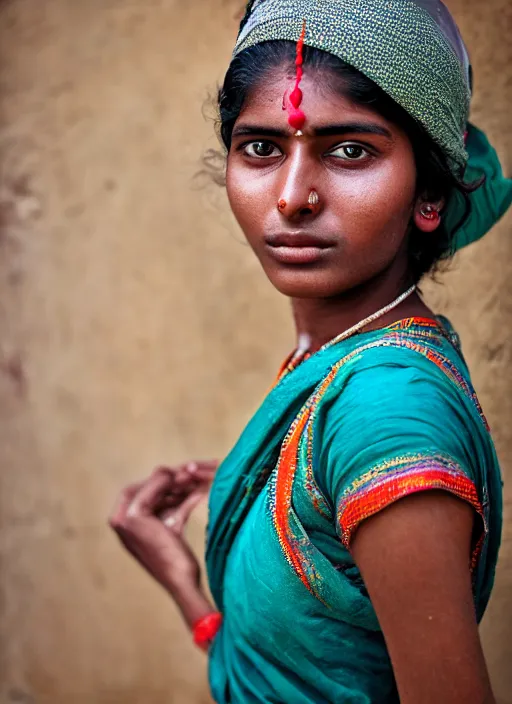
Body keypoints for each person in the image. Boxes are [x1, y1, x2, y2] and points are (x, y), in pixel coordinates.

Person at [109, 1, 512, 702]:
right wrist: (195, 580)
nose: (292, 197)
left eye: (350, 150)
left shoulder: (381, 410)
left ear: (430, 194)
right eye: (261, 148)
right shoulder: (337, 361)